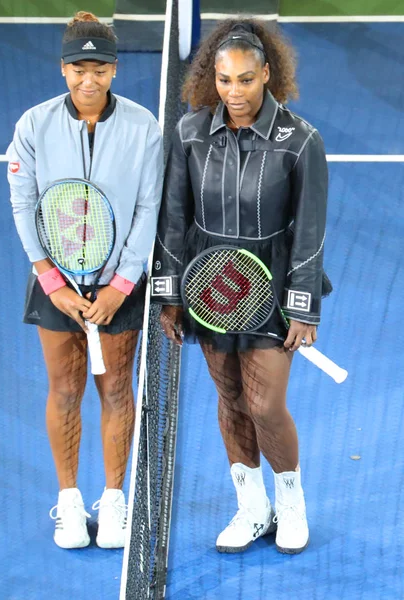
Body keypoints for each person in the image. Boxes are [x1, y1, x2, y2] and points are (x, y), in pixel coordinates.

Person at [152, 18, 330, 555]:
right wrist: (169, 295)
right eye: (225, 81)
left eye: (247, 80)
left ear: (267, 75)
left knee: (265, 404)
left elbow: (310, 231)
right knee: (230, 397)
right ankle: (252, 507)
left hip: (271, 288)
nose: (235, 92)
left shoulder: (300, 142)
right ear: (213, 79)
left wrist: (304, 308)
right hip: (209, 288)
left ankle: (291, 502)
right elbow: (173, 219)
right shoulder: (187, 135)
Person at [7, 11, 163, 549]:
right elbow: (23, 202)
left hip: (116, 281)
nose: (87, 79)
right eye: (78, 68)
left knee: (117, 388)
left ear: (115, 70)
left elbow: (149, 208)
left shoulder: (144, 127)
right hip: (56, 281)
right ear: (63, 69)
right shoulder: (33, 125)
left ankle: (114, 501)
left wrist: (122, 284)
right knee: (64, 389)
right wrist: (49, 277)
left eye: (98, 68)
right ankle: (71, 503)